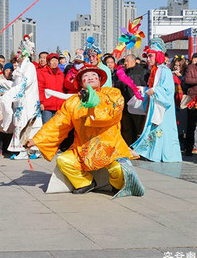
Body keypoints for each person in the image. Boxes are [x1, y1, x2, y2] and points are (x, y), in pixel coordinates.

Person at [25, 64, 144, 197]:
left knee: (118, 169)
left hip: (110, 148)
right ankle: (85, 182)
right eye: (86, 76)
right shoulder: (73, 102)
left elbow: (110, 116)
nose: (91, 78)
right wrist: (36, 139)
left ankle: (116, 185)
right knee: (63, 160)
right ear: (81, 83)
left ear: (100, 79)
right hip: (83, 149)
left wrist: (93, 101)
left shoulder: (112, 94)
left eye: (94, 75)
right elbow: (57, 124)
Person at [131, 38, 182, 162]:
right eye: (147, 56)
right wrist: (144, 89)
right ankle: (153, 153)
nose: (148, 59)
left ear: (158, 56)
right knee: (155, 128)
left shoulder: (164, 71)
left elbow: (168, 90)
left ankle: (158, 154)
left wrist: (154, 91)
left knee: (160, 129)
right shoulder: (156, 70)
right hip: (156, 104)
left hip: (163, 107)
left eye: (150, 56)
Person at [1, 34, 42, 160]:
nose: (17, 55)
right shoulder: (19, 69)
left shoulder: (29, 67)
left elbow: (25, 83)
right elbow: (16, 84)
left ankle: (29, 149)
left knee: (29, 124)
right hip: (20, 102)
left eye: (20, 52)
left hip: (28, 102)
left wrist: (13, 92)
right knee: (20, 123)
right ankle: (23, 149)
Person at [117, 54, 147, 145]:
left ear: (134, 61)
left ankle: (139, 147)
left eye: (127, 61)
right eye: (125, 61)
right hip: (126, 104)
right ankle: (127, 147)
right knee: (126, 128)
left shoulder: (142, 72)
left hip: (137, 104)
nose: (125, 63)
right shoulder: (123, 72)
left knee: (138, 127)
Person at [183, 52, 197, 156]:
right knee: (191, 125)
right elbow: (187, 80)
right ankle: (188, 148)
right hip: (193, 97)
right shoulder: (191, 67)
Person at [37, 53, 64, 123]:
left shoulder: (61, 74)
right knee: (47, 127)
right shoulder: (43, 73)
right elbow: (40, 88)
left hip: (58, 106)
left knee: (56, 128)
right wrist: (41, 102)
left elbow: (63, 89)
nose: (54, 62)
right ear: (48, 62)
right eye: (52, 61)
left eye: (56, 60)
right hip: (47, 106)